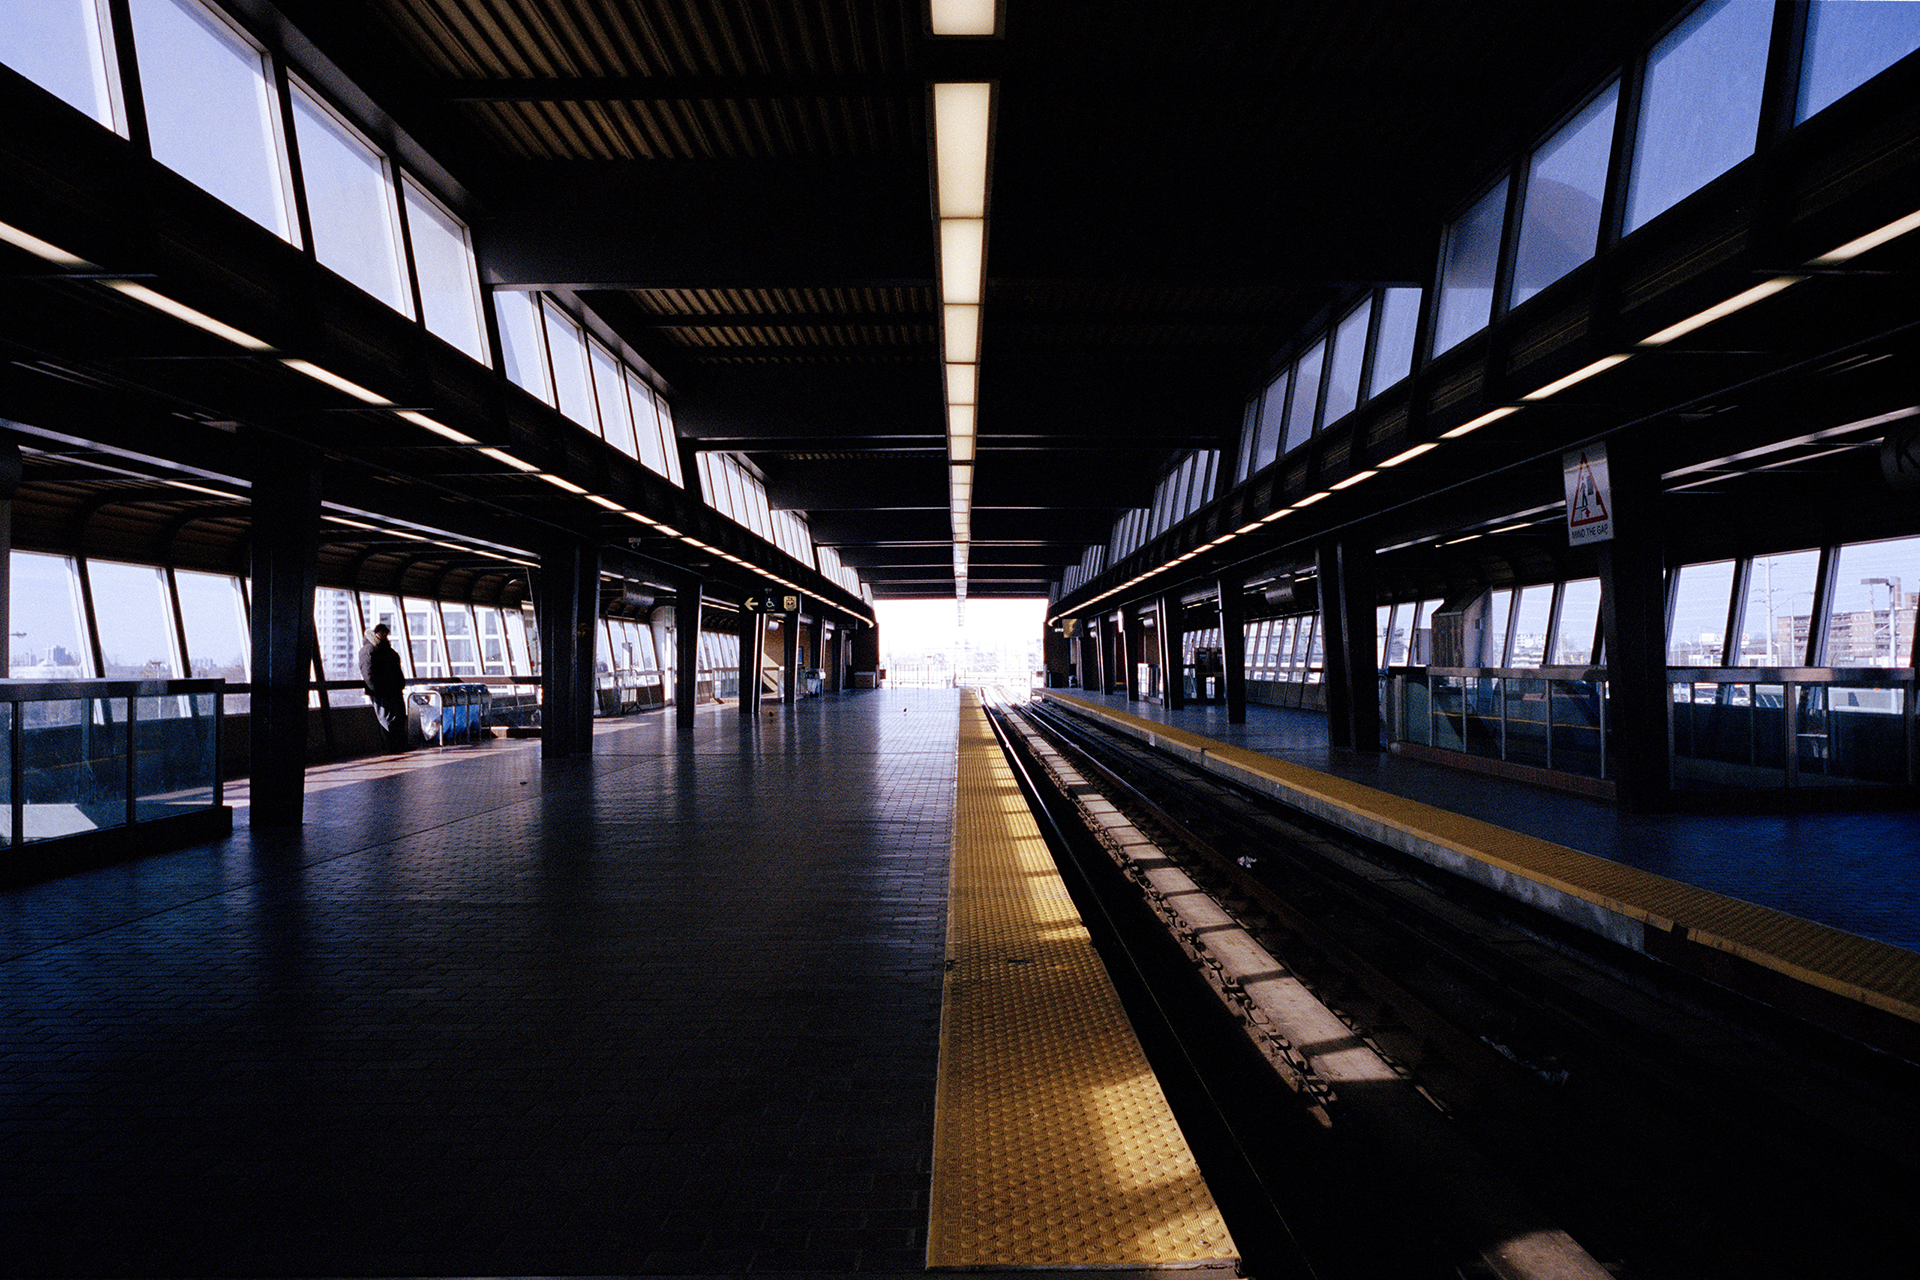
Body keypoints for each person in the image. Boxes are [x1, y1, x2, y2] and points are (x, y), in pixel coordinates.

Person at [358, 623, 407, 751]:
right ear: (376, 633)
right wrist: (377, 690)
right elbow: (368, 673)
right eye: (382, 633)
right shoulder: (372, 650)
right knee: (389, 719)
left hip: (390, 690)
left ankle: (397, 745)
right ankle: (394, 746)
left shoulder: (378, 649)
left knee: (395, 718)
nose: (384, 636)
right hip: (384, 691)